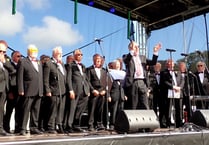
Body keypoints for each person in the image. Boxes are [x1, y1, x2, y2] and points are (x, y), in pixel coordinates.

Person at [122, 41, 161, 109]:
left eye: (138, 47)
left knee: (145, 103)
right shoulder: (126, 57)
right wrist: (132, 51)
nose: (137, 48)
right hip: (133, 82)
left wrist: (155, 52)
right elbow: (126, 60)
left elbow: (153, 62)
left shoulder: (143, 57)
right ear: (130, 48)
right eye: (135, 47)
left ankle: (146, 118)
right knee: (134, 104)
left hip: (142, 82)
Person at [17, 44, 44, 135]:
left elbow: (41, 76)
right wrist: (21, 89)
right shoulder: (23, 61)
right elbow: (19, 76)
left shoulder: (39, 62)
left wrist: (42, 89)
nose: (35, 52)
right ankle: (22, 128)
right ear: (28, 51)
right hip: (28, 89)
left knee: (36, 110)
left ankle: (34, 127)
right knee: (25, 110)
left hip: (39, 90)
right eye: (33, 50)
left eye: (36, 50)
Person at [65, 49, 90, 133]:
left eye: (81, 54)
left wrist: (88, 89)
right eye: (79, 54)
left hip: (84, 90)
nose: (80, 56)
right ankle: (69, 126)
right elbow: (68, 78)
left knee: (80, 109)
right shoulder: (70, 65)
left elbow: (85, 79)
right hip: (75, 90)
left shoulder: (83, 66)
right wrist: (70, 90)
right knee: (72, 108)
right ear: (75, 55)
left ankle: (76, 125)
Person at [43, 47, 66, 134]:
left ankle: (59, 124)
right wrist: (47, 90)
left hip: (62, 91)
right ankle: (50, 126)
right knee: (53, 109)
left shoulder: (61, 64)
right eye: (59, 53)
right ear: (54, 54)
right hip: (53, 90)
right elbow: (45, 79)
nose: (61, 54)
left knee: (61, 109)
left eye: (61, 53)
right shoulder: (49, 63)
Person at [86, 54, 109, 131]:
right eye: (97, 60)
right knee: (92, 109)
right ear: (94, 60)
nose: (98, 61)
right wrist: (92, 90)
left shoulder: (104, 70)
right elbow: (87, 81)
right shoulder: (89, 69)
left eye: (99, 60)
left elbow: (106, 82)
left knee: (100, 109)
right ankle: (90, 124)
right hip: (94, 91)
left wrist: (104, 91)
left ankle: (99, 124)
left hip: (101, 92)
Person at [160, 59, 184, 128]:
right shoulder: (164, 73)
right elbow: (165, 82)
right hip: (169, 92)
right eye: (169, 63)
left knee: (179, 108)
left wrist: (179, 88)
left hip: (178, 91)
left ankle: (179, 123)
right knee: (168, 108)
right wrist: (173, 87)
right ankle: (168, 123)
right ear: (167, 64)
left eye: (172, 63)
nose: (170, 64)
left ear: (173, 64)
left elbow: (182, 80)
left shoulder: (178, 72)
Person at [3, 51, 22, 134]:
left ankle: (17, 128)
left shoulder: (21, 65)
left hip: (19, 91)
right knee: (9, 111)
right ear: (13, 57)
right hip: (11, 90)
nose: (19, 57)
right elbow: (8, 78)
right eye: (18, 56)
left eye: (20, 56)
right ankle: (6, 128)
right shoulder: (9, 64)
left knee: (18, 111)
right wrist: (9, 92)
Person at [108, 59, 127, 130]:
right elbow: (108, 85)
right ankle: (112, 124)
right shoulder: (110, 73)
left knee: (121, 110)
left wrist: (124, 95)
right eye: (116, 64)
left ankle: (120, 124)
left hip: (121, 94)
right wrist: (109, 95)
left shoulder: (123, 73)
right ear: (113, 65)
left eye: (118, 64)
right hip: (114, 94)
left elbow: (123, 86)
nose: (117, 65)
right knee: (114, 110)